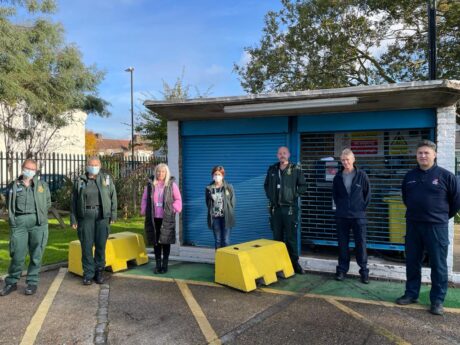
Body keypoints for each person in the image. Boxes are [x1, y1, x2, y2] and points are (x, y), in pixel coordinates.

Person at [396, 140, 460, 316]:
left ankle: (437, 300)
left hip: (436, 227)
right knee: (412, 261)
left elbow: (455, 203)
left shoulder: (446, 176)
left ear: (435, 154)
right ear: (416, 156)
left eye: (426, 152)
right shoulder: (409, 176)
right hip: (413, 225)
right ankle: (411, 294)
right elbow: (406, 199)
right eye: (420, 153)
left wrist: (439, 217)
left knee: (438, 265)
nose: (423, 156)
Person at [0, 159, 51, 296]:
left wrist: (40, 216)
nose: (30, 171)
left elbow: (47, 202)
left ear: (36, 171)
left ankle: (32, 282)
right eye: (27, 168)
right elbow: (9, 203)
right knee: (17, 254)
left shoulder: (42, 185)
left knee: (36, 254)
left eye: (33, 169)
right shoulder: (14, 185)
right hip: (20, 223)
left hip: (38, 223)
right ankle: (11, 282)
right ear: (22, 168)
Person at [70, 157, 117, 285]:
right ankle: (88, 274)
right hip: (85, 216)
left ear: (100, 166)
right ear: (87, 166)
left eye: (96, 165)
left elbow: (113, 197)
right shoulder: (80, 180)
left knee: (101, 245)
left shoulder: (106, 179)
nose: (93, 167)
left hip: (102, 216)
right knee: (86, 246)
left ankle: (99, 272)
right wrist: (73, 218)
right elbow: (74, 200)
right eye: (91, 164)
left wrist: (113, 214)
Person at [264, 146, 308, 274]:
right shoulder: (272, 169)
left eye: (284, 153)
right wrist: (271, 196)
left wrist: (293, 194)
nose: (282, 155)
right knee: (277, 238)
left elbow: (303, 186)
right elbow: (266, 185)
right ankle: (278, 265)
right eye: (280, 153)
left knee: (291, 238)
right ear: (277, 155)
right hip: (275, 210)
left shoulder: (295, 169)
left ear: (288, 155)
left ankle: (295, 264)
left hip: (290, 209)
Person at [332, 149, 370, 284]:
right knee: (342, 244)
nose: (345, 162)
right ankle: (342, 270)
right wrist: (342, 208)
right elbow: (335, 195)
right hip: (342, 216)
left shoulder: (362, 175)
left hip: (358, 216)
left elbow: (367, 195)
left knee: (361, 244)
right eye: (343, 160)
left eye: (348, 159)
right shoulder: (337, 177)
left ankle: (364, 272)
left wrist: (359, 209)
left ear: (353, 160)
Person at [141, 163, 182, 274]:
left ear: (166, 173)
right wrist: (144, 210)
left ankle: (165, 265)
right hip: (154, 218)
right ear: (155, 172)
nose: (160, 173)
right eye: (158, 171)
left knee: (165, 241)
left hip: (166, 218)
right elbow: (144, 199)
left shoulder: (171, 185)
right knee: (156, 242)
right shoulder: (150, 185)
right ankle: (158, 265)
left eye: (163, 171)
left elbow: (178, 199)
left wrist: (174, 208)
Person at [205, 166, 236, 249]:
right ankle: (219, 261)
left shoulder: (228, 187)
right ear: (212, 175)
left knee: (226, 240)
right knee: (218, 241)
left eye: (219, 174)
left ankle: (226, 261)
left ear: (222, 175)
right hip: (215, 218)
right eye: (215, 174)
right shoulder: (209, 188)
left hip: (226, 217)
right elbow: (208, 203)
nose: (217, 176)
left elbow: (233, 202)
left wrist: (228, 211)